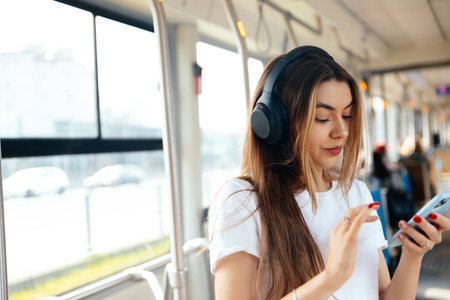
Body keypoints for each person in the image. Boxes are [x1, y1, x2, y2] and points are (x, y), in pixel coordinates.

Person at [207, 45, 450, 300]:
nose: (342, 131)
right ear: (276, 123)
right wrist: (331, 278)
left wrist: (412, 255)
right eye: (323, 118)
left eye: (347, 115)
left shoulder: (356, 192)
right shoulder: (242, 200)